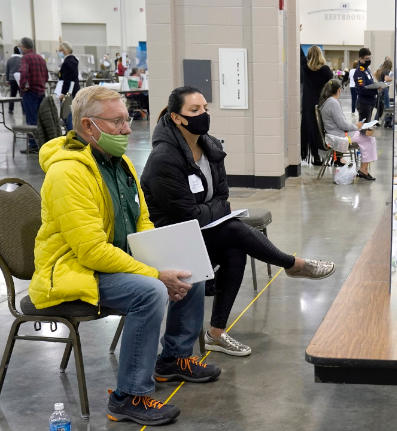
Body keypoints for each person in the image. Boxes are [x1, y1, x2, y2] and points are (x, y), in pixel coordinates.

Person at [31, 86, 219, 425]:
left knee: (188, 267)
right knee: (150, 292)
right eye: (118, 122)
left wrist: (163, 259)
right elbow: (91, 252)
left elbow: (142, 220)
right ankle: (129, 396)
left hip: (112, 260)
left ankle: (174, 358)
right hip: (75, 269)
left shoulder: (120, 163)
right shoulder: (68, 173)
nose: (128, 129)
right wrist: (154, 273)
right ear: (89, 126)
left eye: (127, 119)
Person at [141, 86, 336, 356]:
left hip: (201, 231)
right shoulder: (164, 158)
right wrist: (215, 209)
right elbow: (186, 215)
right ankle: (292, 264)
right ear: (177, 118)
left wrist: (213, 209)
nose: (203, 114)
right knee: (233, 229)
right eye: (195, 110)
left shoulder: (210, 146)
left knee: (234, 251)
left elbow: (223, 197)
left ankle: (216, 334)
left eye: (205, 109)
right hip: (173, 238)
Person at [319, 79, 377, 180]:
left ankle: (364, 169)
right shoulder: (333, 103)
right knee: (369, 138)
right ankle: (363, 170)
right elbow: (342, 125)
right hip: (339, 136)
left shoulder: (327, 102)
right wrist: (357, 126)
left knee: (368, 137)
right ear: (339, 90)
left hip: (337, 133)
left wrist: (355, 126)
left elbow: (340, 123)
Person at [300, 45, 334, 165]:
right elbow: (332, 85)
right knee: (326, 129)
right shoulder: (325, 70)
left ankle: (316, 156)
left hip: (308, 103)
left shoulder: (304, 68)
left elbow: (300, 55)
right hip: (323, 103)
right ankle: (332, 155)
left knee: (311, 129)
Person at [18, 37, 48, 154]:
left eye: (21, 47)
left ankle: (33, 145)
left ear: (24, 47)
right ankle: (41, 142)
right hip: (41, 92)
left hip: (30, 93)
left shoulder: (26, 58)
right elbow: (46, 75)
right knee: (40, 118)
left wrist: (22, 86)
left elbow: (24, 72)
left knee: (31, 120)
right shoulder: (40, 58)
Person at [57, 39, 80, 132]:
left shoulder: (67, 62)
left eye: (60, 50)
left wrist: (63, 93)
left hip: (68, 91)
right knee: (71, 114)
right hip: (74, 90)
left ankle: (70, 133)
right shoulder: (74, 60)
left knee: (67, 115)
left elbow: (67, 80)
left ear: (65, 51)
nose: (59, 53)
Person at [353, 47, 378, 123]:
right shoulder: (359, 72)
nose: (368, 61)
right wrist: (375, 90)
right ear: (360, 58)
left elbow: (369, 83)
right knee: (364, 128)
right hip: (364, 103)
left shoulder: (366, 69)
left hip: (370, 102)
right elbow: (361, 89)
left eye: (369, 59)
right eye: (366, 59)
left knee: (367, 126)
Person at [5, 46, 21, 114]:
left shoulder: (9, 60)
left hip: (12, 79)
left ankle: (10, 109)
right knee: (22, 94)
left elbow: (7, 71)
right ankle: (24, 110)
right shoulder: (22, 59)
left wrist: (7, 80)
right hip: (20, 78)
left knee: (12, 95)